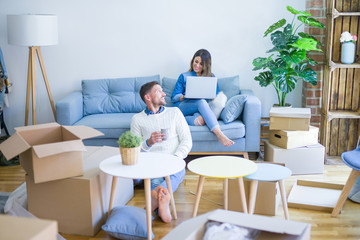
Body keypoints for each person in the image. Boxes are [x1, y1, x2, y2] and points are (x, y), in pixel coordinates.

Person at [131, 81, 192, 223]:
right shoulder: (137, 119)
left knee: (177, 170)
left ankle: (155, 199)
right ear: (148, 97)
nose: (164, 94)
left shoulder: (175, 113)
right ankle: (161, 203)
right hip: (151, 163)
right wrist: (148, 142)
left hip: (174, 161)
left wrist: (176, 159)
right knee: (156, 176)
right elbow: (134, 149)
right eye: (159, 91)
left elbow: (187, 141)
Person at [171, 49, 234, 147]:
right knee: (201, 102)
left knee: (200, 120)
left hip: (201, 108)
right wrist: (185, 96)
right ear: (193, 61)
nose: (197, 65)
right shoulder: (183, 76)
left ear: (205, 66)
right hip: (183, 106)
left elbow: (215, 96)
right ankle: (219, 134)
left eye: (201, 64)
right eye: (196, 62)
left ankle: (180, 119)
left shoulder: (211, 77)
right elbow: (174, 97)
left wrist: (206, 95)